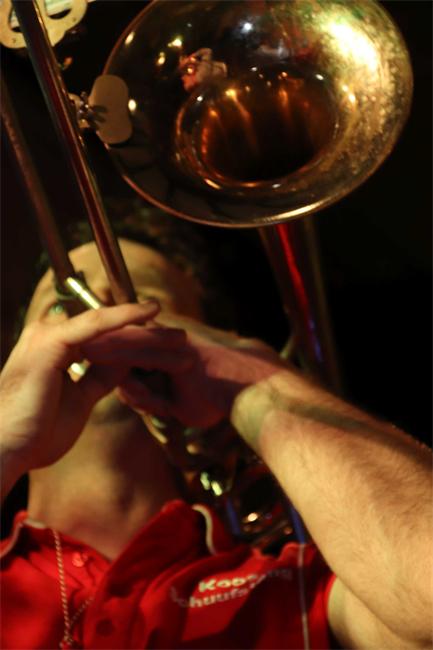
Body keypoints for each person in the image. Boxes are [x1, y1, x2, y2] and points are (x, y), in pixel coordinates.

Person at [0, 237, 431, 650]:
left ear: (201, 340)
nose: (96, 306)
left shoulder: (293, 589)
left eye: (136, 297)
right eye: (62, 304)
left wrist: (255, 380)